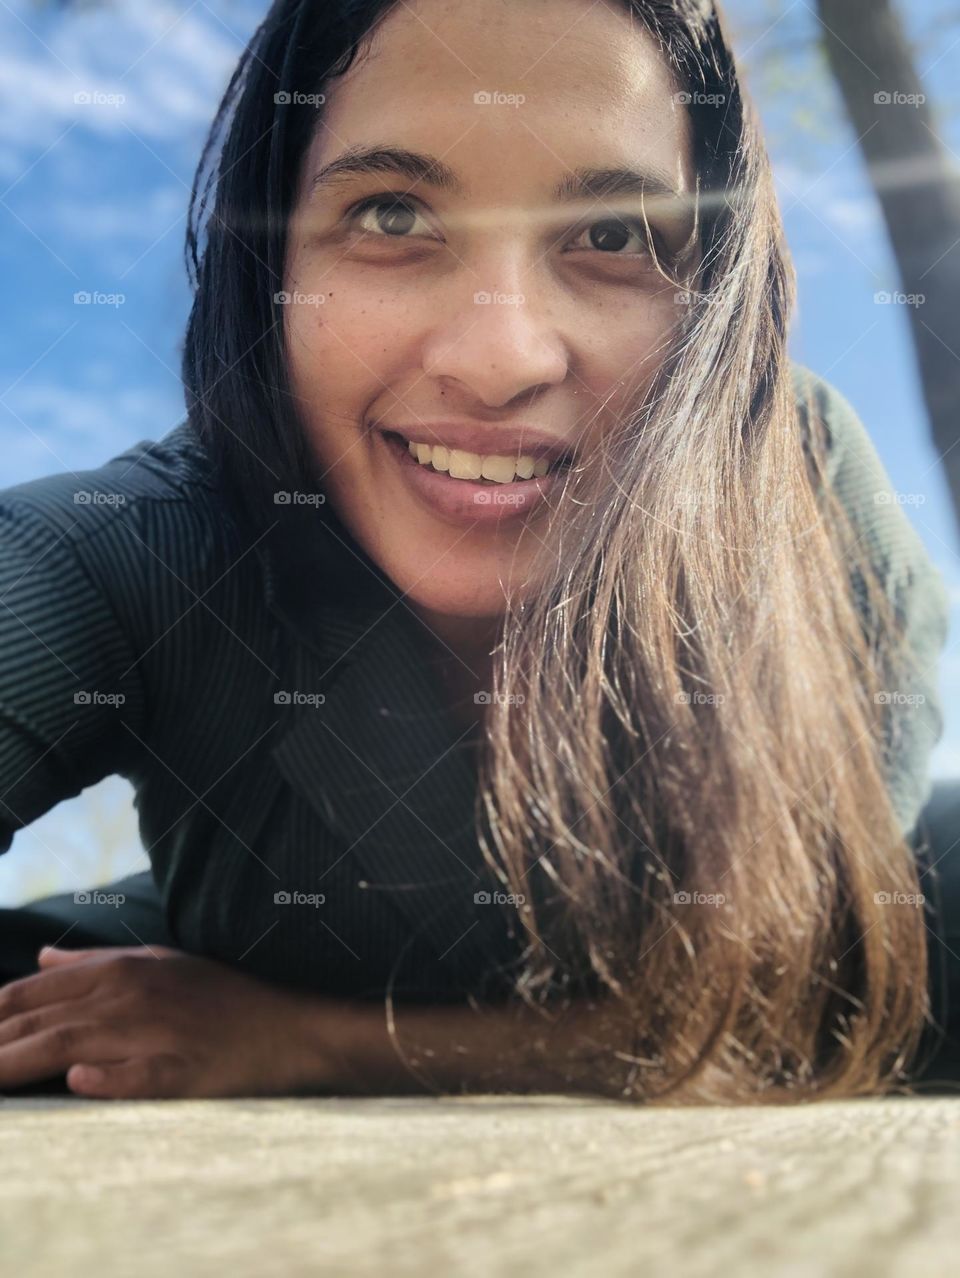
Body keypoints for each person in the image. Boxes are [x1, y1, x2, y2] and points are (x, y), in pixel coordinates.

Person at [0, 0, 955, 1102]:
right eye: (394, 214)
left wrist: (316, 1044)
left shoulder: (809, 498)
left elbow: (792, 988)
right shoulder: (133, 548)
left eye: (613, 235)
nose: (498, 358)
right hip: (200, 934)